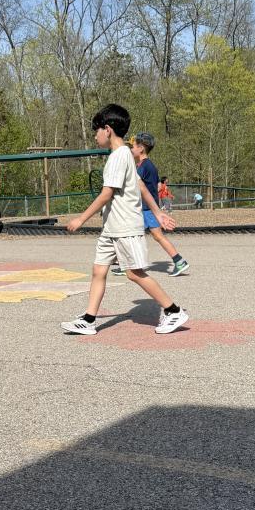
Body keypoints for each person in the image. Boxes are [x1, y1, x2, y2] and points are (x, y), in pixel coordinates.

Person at [61, 104, 189, 337]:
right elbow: (140, 186)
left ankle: (173, 311)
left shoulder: (119, 157)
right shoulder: (126, 155)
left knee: (134, 273)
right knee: (98, 270)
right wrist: (157, 211)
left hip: (124, 227)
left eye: (97, 130)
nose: (95, 135)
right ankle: (89, 320)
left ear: (107, 129)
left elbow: (106, 194)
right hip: (111, 228)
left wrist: (81, 219)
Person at [130, 133, 188, 276]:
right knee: (133, 235)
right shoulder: (147, 166)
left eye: (133, 146)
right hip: (146, 207)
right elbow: (158, 186)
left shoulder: (144, 167)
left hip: (146, 208)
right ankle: (178, 260)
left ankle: (179, 261)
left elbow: (136, 186)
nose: (131, 149)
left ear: (141, 149)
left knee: (154, 236)